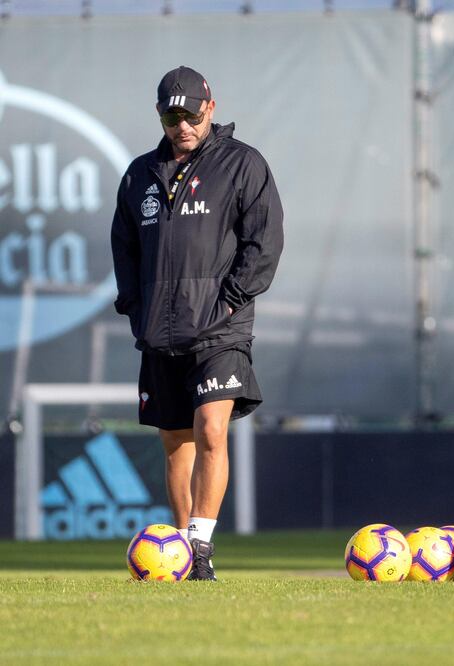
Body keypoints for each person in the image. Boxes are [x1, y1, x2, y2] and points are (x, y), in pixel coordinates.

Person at [110, 66, 284, 580]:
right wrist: (133, 305)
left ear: (210, 107)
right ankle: (181, 555)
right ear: (160, 116)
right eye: (171, 115)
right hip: (159, 332)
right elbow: (123, 245)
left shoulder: (242, 164)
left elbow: (264, 242)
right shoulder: (140, 173)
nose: (181, 125)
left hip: (220, 330)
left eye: (190, 114)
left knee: (212, 429)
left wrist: (230, 300)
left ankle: (200, 546)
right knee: (176, 443)